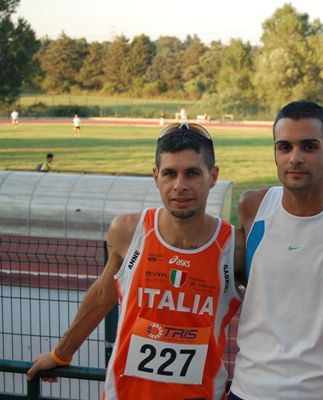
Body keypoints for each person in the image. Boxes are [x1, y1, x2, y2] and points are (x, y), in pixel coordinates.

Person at [27, 122, 243, 400]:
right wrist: (61, 353)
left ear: (212, 176)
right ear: (156, 177)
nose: (180, 185)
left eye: (192, 173)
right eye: (170, 173)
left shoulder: (233, 247)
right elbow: (103, 295)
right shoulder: (129, 231)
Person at [229, 100, 323, 400]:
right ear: (274, 153)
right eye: (284, 147)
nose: (295, 158)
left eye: (309, 146)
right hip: (249, 389)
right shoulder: (252, 207)